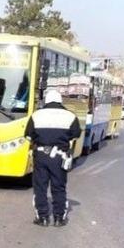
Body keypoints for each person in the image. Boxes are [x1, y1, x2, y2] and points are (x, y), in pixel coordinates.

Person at [25, 89, 81, 227]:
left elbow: (28, 136)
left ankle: (43, 218)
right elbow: (76, 135)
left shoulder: (36, 115)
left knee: (40, 187)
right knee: (59, 187)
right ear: (60, 100)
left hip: (41, 156)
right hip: (59, 157)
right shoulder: (70, 116)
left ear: (46, 100)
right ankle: (58, 218)